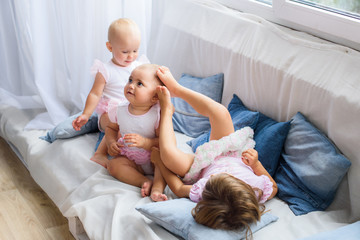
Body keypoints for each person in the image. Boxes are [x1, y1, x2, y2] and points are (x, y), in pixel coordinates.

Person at [151, 66, 278, 233]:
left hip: (202, 165)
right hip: (230, 152)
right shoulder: (258, 191)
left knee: (168, 155)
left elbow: (179, 189)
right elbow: (274, 187)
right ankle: (177, 90)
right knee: (220, 112)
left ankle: (167, 111)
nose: (224, 174)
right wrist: (255, 165)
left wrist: (159, 160)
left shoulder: (207, 191)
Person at [40, 18, 148, 145]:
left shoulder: (139, 67)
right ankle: (53, 134)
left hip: (131, 112)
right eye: (125, 52)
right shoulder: (106, 70)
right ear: (110, 47)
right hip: (109, 113)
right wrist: (86, 114)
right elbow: (95, 94)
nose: (131, 56)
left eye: (135, 50)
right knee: (68, 128)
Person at [96, 63, 167, 202]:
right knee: (113, 166)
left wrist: (146, 142)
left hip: (153, 158)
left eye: (139, 84)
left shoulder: (158, 115)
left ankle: (157, 188)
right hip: (131, 158)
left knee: (164, 162)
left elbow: (164, 141)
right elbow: (111, 128)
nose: (131, 85)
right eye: (130, 80)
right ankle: (143, 181)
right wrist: (111, 142)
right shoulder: (120, 108)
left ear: (155, 97)